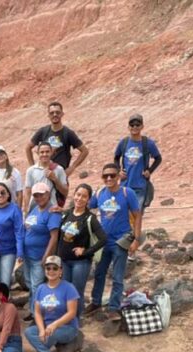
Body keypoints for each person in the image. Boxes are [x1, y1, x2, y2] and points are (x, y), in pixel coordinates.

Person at [87, 164, 141, 317]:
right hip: (104, 241)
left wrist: (136, 239)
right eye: (105, 176)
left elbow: (137, 216)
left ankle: (114, 308)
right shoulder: (99, 193)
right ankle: (96, 302)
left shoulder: (127, 193)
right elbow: (85, 206)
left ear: (118, 176)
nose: (109, 178)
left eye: (112, 175)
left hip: (121, 240)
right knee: (99, 273)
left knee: (117, 276)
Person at [54, 183, 106, 317]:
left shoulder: (90, 218)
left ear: (88, 199)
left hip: (80, 262)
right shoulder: (66, 214)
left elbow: (103, 239)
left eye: (84, 196)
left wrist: (86, 251)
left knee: (76, 292)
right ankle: (66, 318)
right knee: (65, 290)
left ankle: (76, 319)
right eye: (78, 195)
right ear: (74, 195)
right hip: (64, 261)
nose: (80, 198)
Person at [25, 255, 79, 352]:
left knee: (51, 334)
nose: (51, 271)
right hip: (47, 326)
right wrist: (41, 330)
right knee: (29, 332)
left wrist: (54, 325)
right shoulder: (41, 288)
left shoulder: (69, 287)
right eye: (48, 268)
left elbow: (72, 313)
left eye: (55, 268)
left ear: (61, 271)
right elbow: (37, 312)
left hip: (67, 327)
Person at [22, 182, 61, 313]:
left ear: (48, 194)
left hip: (39, 256)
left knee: (36, 286)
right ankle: (32, 309)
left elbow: (54, 237)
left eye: (42, 195)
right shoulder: (34, 209)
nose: (39, 198)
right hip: (28, 255)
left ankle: (36, 314)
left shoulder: (52, 212)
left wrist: (46, 255)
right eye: (36, 195)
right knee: (29, 283)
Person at [114, 112, 162, 215]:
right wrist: (119, 171)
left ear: (142, 126)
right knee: (123, 214)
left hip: (140, 186)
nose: (134, 127)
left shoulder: (148, 143)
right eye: (132, 125)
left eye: (137, 124)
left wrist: (149, 171)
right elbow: (116, 157)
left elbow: (158, 158)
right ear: (128, 127)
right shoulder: (124, 142)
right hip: (125, 185)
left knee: (137, 215)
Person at [25, 101, 88, 173]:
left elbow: (85, 151)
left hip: (60, 174)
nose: (55, 115)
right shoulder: (43, 131)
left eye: (57, 112)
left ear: (62, 114)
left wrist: (72, 168)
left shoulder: (68, 133)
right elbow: (28, 147)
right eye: (52, 113)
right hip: (44, 173)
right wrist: (32, 168)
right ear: (48, 115)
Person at [0, 182, 23, 288]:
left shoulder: (15, 209)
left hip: (8, 251)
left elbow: (19, 231)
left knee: (4, 282)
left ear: (8, 194)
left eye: (2, 192)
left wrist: (20, 252)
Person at [23, 142, 68, 212]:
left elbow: (65, 192)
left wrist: (55, 179)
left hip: (52, 208)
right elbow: (27, 191)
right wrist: (26, 209)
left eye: (47, 152)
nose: (44, 154)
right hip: (35, 208)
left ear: (51, 152)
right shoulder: (31, 170)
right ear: (38, 153)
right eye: (42, 152)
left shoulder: (59, 169)